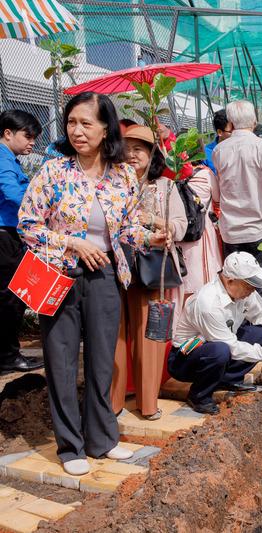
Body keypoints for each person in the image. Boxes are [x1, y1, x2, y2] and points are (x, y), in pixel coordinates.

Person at [17, 92, 168, 475]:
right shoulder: (53, 172)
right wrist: (73, 241)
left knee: (102, 361)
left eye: (86, 123)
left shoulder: (122, 176)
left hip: (104, 277)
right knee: (62, 362)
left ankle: (102, 440)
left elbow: (128, 228)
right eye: (71, 122)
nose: (77, 130)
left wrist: (150, 237)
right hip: (60, 276)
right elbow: (28, 226)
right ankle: (71, 448)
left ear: (106, 129)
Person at [111, 124, 188, 420]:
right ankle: (114, 401)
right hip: (117, 265)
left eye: (139, 150)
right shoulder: (113, 183)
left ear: (152, 154)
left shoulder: (165, 186)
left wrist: (152, 220)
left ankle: (148, 403)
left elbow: (179, 226)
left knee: (149, 335)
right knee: (115, 335)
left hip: (149, 268)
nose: (131, 155)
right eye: (126, 149)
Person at [168, 252, 262, 414]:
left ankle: (227, 379)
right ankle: (199, 395)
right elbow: (232, 348)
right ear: (231, 281)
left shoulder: (243, 291)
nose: (253, 291)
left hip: (219, 345)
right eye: (249, 286)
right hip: (185, 359)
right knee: (220, 350)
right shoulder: (208, 302)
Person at [211, 100, 262, 329]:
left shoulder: (219, 151)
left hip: (231, 232)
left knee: (237, 285)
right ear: (255, 122)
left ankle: (240, 337)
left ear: (230, 122)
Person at [0, 110, 44, 376]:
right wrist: (43, 211)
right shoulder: (3, 158)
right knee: (14, 296)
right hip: (4, 236)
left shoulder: (10, 158)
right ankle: (7, 357)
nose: (32, 143)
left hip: (7, 234)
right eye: (28, 136)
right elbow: (12, 192)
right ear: (8, 133)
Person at [178, 156, 223, 298]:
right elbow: (217, 199)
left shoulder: (173, 174)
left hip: (179, 230)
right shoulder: (206, 173)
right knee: (205, 275)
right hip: (201, 229)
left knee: (184, 271)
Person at [202, 109, 231, 174]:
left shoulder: (240, 150)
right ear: (219, 132)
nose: (235, 134)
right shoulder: (205, 153)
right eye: (230, 132)